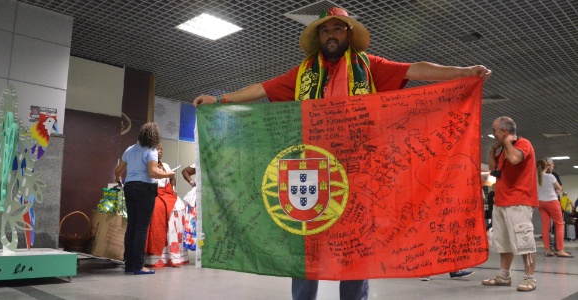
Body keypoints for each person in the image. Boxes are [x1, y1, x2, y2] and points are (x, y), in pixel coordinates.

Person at [194, 7, 491, 300]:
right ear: (319, 36)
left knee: (355, 248)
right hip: (312, 171)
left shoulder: (370, 66)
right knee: (306, 246)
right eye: (325, 30)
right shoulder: (303, 74)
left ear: (348, 34)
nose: (331, 35)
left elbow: (415, 68)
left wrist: (464, 72)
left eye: (337, 29)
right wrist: (220, 98)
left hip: (359, 174)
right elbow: (261, 88)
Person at [483, 116, 538, 292]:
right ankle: (504, 276)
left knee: (524, 241)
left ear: (504, 131)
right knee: (504, 242)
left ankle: (530, 278)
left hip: (519, 202)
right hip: (501, 202)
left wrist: (507, 143)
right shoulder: (501, 151)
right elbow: (493, 169)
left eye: (495, 131)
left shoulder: (523, 144)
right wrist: (493, 149)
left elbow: (515, 159)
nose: (494, 134)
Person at [114, 122, 175, 275]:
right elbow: (153, 173)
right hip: (145, 189)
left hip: (129, 187)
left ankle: (129, 265)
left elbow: (118, 170)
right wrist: (170, 174)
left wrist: (118, 179)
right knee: (141, 228)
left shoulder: (129, 149)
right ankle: (138, 266)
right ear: (154, 136)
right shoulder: (151, 151)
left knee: (132, 227)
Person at [144, 145, 189, 268]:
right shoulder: (147, 166)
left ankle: (174, 254)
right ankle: (157, 255)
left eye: (161, 149)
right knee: (157, 210)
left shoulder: (166, 166)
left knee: (179, 206)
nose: (160, 151)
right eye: (156, 149)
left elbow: (172, 178)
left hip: (167, 192)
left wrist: (174, 188)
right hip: (154, 193)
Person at [536, 160, 572, 258]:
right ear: (547, 167)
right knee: (559, 225)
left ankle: (548, 250)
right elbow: (559, 188)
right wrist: (557, 189)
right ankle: (560, 250)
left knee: (545, 227)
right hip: (552, 202)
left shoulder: (536, 177)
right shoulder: (550, 176)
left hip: (541, 203)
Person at [181, 164, 198, 251]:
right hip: (197, 197)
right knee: (196, 224)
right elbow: (185, 171)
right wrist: (192, 183)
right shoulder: (200, 162)